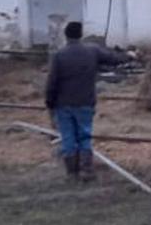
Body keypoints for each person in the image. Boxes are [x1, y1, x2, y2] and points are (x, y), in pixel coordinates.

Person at [44, 21, 122, 181]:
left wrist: (50, 101)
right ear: (81, 34)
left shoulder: (59, 55)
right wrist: (128, 55)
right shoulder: (92, 50)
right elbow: (112, 59)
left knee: (68, 138)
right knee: (85, 136)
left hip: (63, 104)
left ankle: (72, 173)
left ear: (66, 35)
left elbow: (52, 82)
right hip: (85, 101)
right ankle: (87, 169)